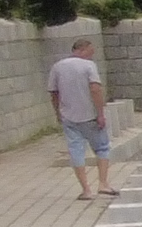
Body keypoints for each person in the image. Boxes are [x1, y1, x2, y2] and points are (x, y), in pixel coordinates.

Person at [47, 28, 115, 203]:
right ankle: (103, 183)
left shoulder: (57, 66)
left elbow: (54, 93)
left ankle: (86, 190)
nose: (91, 56)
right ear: (82, 49)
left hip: (69, 116)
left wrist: (58, 113)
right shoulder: (88, 66)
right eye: (90, 52)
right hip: (90, 115)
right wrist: (100, 113)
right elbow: (95, 89)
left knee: (76, 150)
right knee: (102, 148)